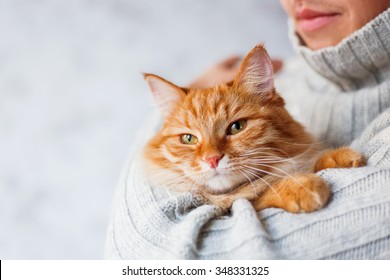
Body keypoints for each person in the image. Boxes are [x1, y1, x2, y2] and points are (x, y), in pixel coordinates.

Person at [105, 0, 390, 259]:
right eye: (189, 138)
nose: (211, 156)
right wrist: (175, 110)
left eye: (236, 127)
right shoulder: (290, 73)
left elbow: (159, 258)